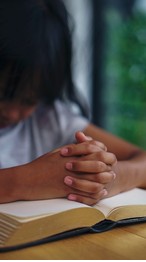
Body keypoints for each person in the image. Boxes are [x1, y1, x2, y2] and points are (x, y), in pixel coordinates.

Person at [0, 0, 146, 206]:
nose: (13, 113)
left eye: (29, 100)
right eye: (3, 95)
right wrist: (25, 180)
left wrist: (109, 177)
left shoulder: (48, 119)